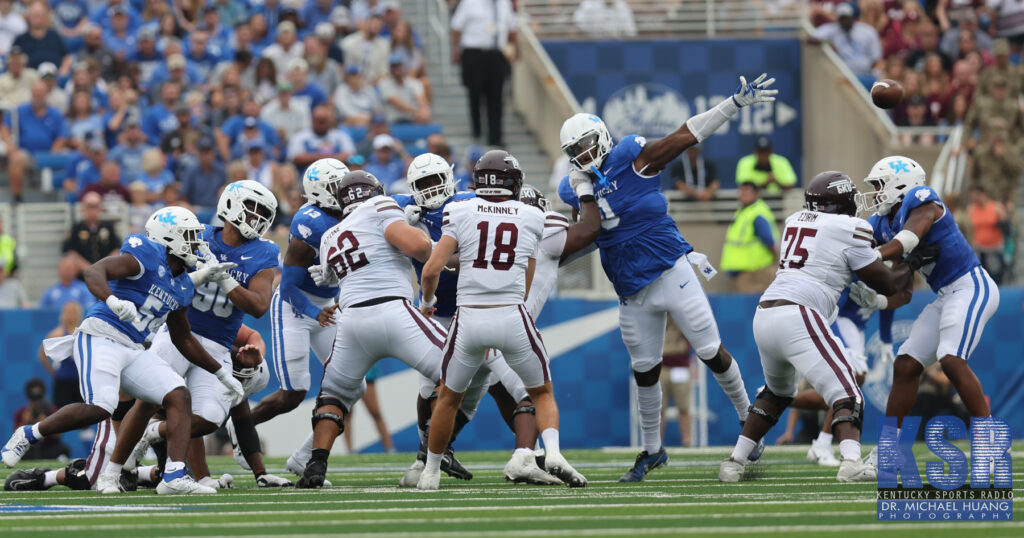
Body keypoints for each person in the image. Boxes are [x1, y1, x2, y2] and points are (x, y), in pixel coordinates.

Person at [556, 73, 777, 481]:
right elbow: (583, 234)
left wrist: (731, 104)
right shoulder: (575, 187)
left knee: (711, 351)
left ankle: (750, 421)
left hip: (670, 268)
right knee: (644, 370)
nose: (584, 154)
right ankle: (653, 450)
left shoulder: (630, 156)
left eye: (588, 144)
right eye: (576, 150)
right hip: (629, 286)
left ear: (602, 138)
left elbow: (685, 135)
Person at [1, 206, 243, 495]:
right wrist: (113, 300)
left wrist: (221, 374)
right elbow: (94, 272)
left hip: (133, 347)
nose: (197, 244)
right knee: (100, 406)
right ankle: (29, 433)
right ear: (169, 238)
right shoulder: (146, 254)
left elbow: (184, 338)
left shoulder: (182, 285)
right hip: (101, 335)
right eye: (189, 237)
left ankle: (174, 476)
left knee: (178, 395)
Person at [719, 171, 915, 483]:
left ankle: (735, 461)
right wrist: (909, 258)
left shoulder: (796, 219)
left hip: (766, 311)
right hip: (800, 312)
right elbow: (887, 282)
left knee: (776, 393)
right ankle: (851, 462)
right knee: (849, 393)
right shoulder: (850, 227)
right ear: (840, 203)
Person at [295, 170, 483, 488]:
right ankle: (433, 452)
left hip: (351, 322)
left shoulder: (330, 235)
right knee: (458, 367)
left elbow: (328, 276)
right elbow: (418, 247)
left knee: (334, 396)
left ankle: (316, 463)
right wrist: (440, 249)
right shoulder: (380, 207)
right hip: (392, 311)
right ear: (375, 192)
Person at [417, 149, 587, 491]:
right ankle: (551, 452)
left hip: (468, 320)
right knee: (541, 392)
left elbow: (432, 268)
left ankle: (430, 472)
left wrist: (427, 301)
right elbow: (530, 267)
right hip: (511, 315)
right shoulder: (530, 215)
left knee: (448, 398)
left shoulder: (460, 209)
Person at [103, 181, 279, 491]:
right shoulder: (198, 236)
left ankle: (154, 436)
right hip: (178, 332)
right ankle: (114, 470)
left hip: (219, 343)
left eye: (264, 213)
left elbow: (259, 306)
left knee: (210, 417)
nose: (258, 219)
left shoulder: (264, 252)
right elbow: (162, 275)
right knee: (147, 399)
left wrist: (223, 278)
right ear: (231, 206)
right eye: (254, 210)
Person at [853, 156, 1000, 468]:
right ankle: (887, 452)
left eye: (879, 186)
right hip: (946, 295)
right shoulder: (881, 223)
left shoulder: (922, 199)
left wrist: (872, 255)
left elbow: (910, 236)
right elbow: (903, 293)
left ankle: (988, 443)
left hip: (971, 286)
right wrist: (876, 300)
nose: (877, 193)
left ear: (900, 183)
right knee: (906, 365)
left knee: (950, 357)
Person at [248, 159, 347, 475]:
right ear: (319, 191)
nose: (343, 192)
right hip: (296, 307)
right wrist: (316, 312)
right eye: (336, 186)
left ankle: (305, 456)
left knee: (350, 386)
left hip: (327, 306)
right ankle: (239, 426)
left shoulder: (351, 213)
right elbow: (288, 287)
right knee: (293, 393)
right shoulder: (310, 223)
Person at [451, 0, 517, 146]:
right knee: (474, 93)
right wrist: (455, 50)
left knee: (496, 97)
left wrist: (515, 48)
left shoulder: (504, 4)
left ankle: (495, 136)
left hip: (496, 55)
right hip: (474, 53)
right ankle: (477, 129)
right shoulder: (470, 3)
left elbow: (512, 28)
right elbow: (457, 27)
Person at [1, 80, 70, 203]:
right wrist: (10, 146)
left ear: (46, 94)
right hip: (27, 154)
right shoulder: (19, 111)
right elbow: (5, 128)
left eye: (41, 93)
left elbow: (62, 136)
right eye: (36, 93)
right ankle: (17, 197)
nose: (38, 96)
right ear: (31, 94)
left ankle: (59, 201)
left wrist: (54, 150)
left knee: (69, 158)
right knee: (17, 158)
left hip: (49, 154)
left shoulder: (56, 114)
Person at [720, 181, 778, 293]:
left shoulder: (757, 213)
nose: (742, 194)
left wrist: (774, 258)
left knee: (755, 306)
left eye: (746, 191)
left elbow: (768, 240)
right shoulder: (743, 211)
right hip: (745, 271)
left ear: (756, 194)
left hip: (757, 272)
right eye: (741, 191)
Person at [809, 2, 882, 78]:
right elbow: (811, 38)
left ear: (852, 17)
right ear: (838, 19)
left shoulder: (867, 31)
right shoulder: (833, 29)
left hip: (866, 75)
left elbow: (876, 58)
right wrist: (827, 43)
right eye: (842, 18)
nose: (845, 21)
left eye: (847, 18)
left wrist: (869, 70)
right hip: (844, 75)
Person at [37, 301, 84, 408]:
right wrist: (53, 372)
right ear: (63, 314)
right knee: (61, 413)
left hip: (81, 380)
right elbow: (42, 355)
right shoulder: (57, 333)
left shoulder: (83, 333)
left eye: (73, 312)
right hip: (63, 380)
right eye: (68, 312)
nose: (71, 315)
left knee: (83, 413)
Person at [62, 192, 121, 276]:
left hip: (106, 274)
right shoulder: (76, 228)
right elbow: (70, 251)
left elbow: (117, 249)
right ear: (83, 208)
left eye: (95, 206)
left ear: (100, 208)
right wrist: (89, 269)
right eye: (89, 206)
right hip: (82, 276)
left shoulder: (109, 227)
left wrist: (103, 268)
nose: (92, 210)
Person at [342, 363, 394, 454]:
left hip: (366, 373)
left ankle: (390, 449)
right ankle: (349, 451)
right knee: (347, 415)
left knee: (375, 412)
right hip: (347, 373)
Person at [287, 105, 356, 171]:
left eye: (323, 121)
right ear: (313, 121)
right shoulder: (301, 136)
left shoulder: (340, 136)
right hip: (308, 175)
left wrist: (323, 159)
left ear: (329, 121)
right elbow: (295, 157)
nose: (321, 124)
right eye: (318, 120)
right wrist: (326, 158)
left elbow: (351, 156)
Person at [12, 379, 69, 460]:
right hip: (29, 450)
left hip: (49, 448)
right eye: (33, 398)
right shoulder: (21, 413)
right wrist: (25, 422)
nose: (36, 402)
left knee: (64, 449)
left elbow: (58, 436)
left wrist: (46, 424)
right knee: (16, 452)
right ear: (28, 397)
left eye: (38, 398)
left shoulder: (52, 411)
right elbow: (15, 439)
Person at [660, 320, 692, 447]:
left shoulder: (683, 313)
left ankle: (687, 441)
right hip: (661, 367)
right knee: (659, 409)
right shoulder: (655, 311)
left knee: (684, 407)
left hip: (681, 366)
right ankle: (655, 445)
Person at [968, 185, 1007, 284]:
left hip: (994, 248)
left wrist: (1001, 223)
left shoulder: (996, 207)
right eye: (973, 196)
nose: (975, 198)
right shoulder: (971, 209)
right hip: (980, 248)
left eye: (977, 195)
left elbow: (1007, 226)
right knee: (982, 278)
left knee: (997, 275)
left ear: (983, 193)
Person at [378, 52, 430, 124]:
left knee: (425, 114)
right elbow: (396, 103)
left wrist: (424, 110)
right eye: (394, 66)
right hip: (392, 122)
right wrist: (416, 111)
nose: (396, 69)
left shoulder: (413, 83)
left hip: (412, 119)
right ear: (390, 68)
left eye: (398, 65)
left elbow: (421, 99)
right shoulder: (384, 83)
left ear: (403, 66)